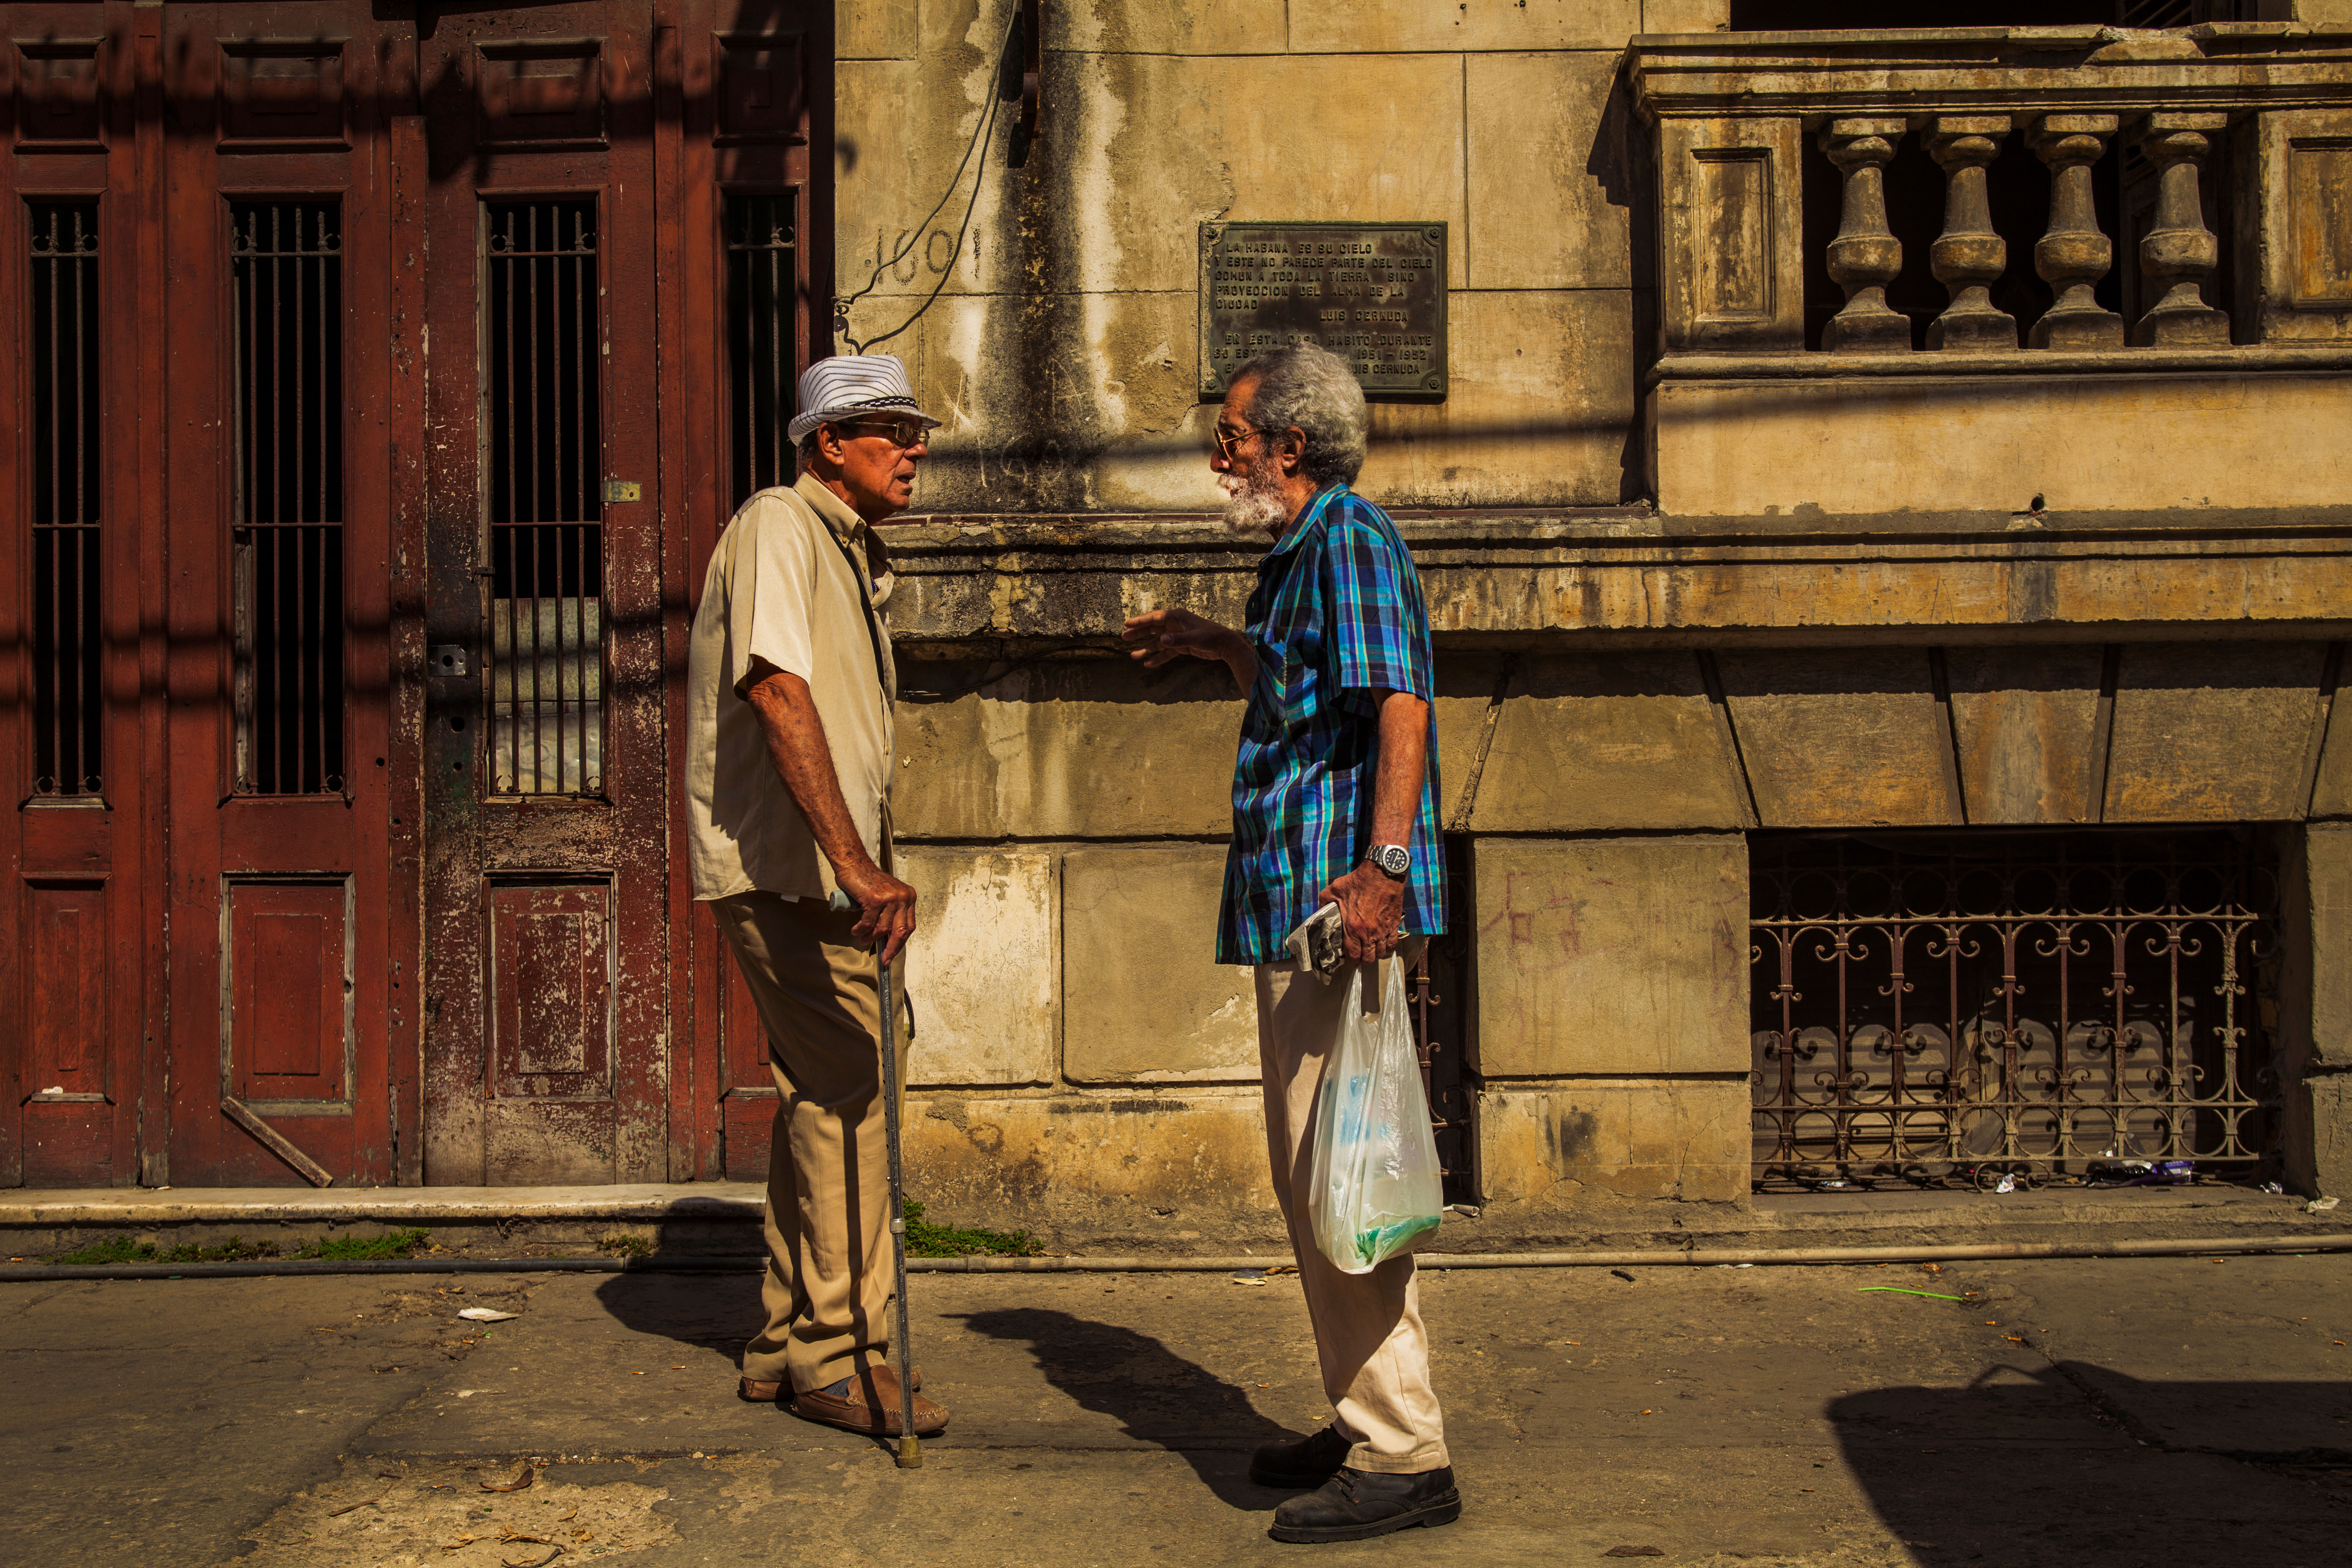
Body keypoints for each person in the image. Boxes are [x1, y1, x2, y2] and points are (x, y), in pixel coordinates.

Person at [1122, 343, 1457, 1543]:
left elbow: (1399, 702)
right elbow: (1314, 682)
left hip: (1340, 915)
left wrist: (1384, 872)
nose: (1220, 454)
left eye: (1233, 434)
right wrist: (1220, 640)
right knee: (1319, 1174)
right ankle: (1366, 1411)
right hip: (1306, 911)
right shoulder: (1303, 557)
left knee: (1342, 1175)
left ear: (1288, 447)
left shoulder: (1353, 539)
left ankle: (1402, 1450)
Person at [684, 353, 947, 1438]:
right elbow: (777, 688)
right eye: (893, 429)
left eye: (917, 429)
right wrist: (855, 865)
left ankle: (786, 1341)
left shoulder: (845, 548)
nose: (916, 448)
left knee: (826, 1088)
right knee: (856, 1094)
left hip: (811, 878)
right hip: (797, 878)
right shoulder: (782, 528)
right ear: (828, 443)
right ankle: (841, 1355)